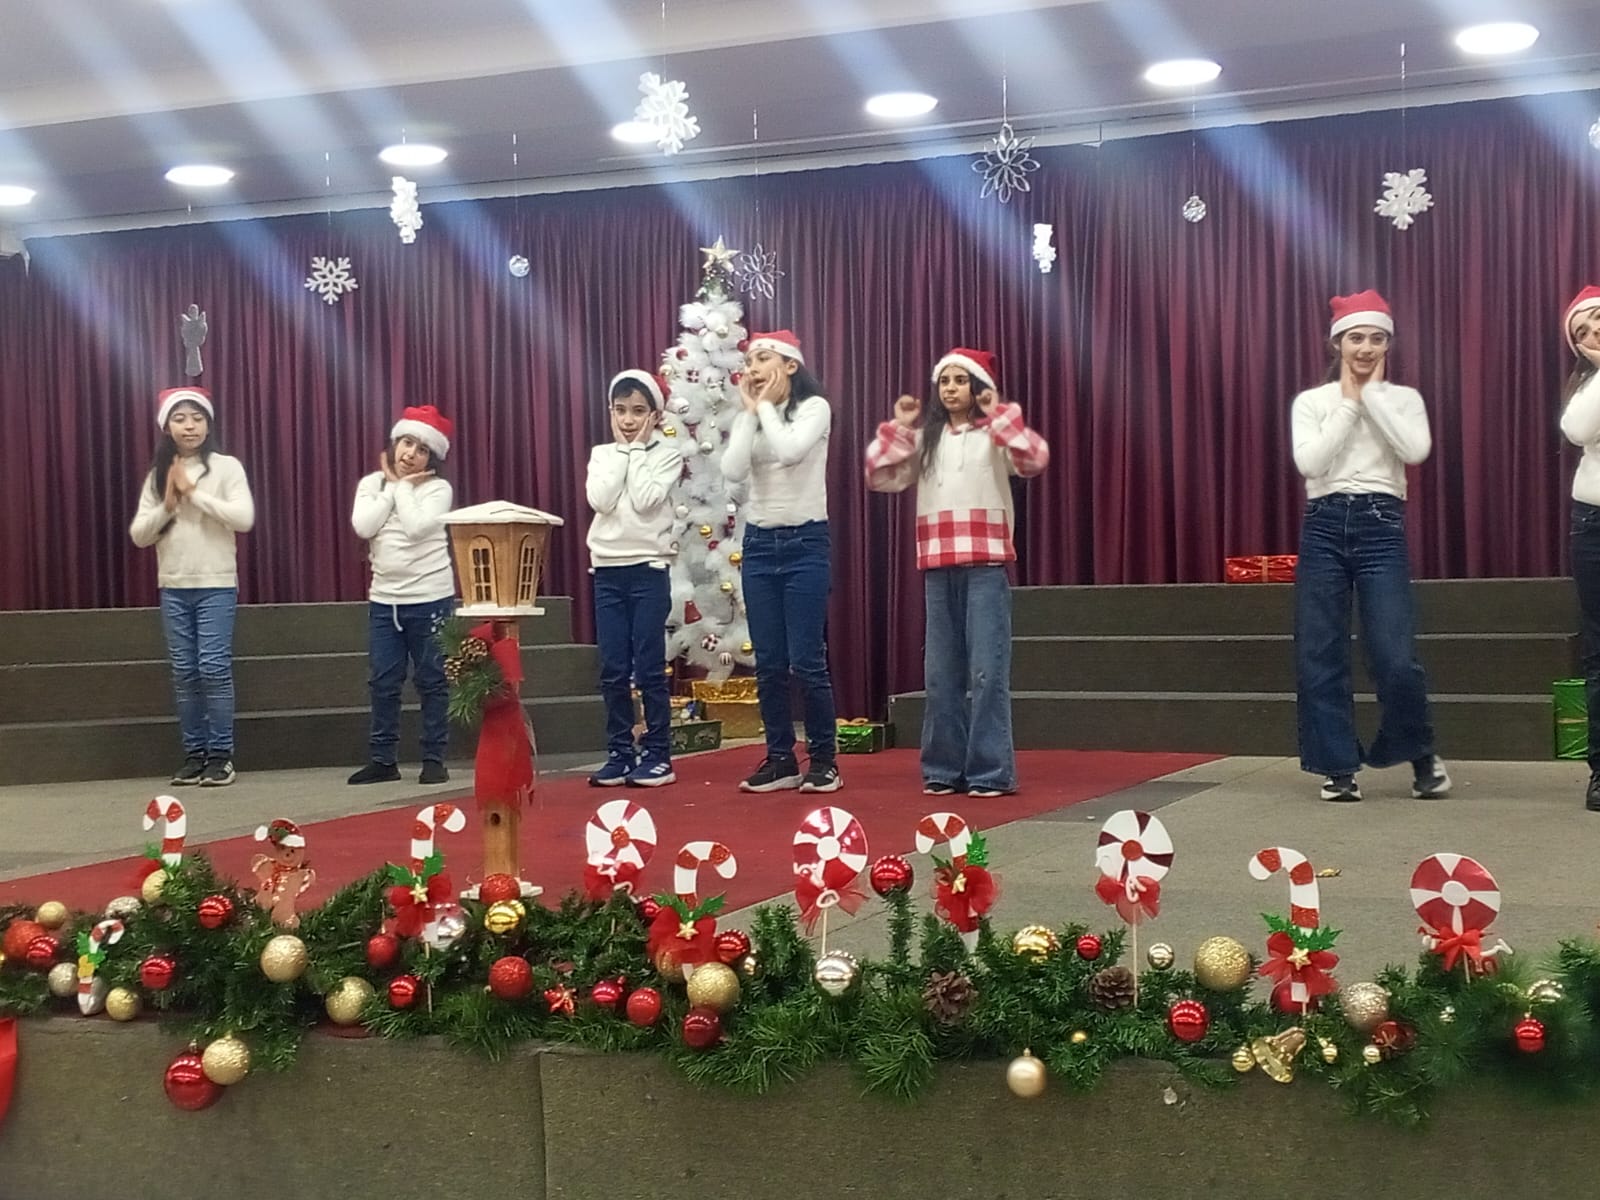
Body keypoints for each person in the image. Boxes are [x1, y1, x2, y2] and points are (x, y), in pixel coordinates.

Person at [865, 347, 1049, 797]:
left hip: (985, 566)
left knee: (987, 673)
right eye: (944, 381)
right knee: (940, 675)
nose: (950, 389)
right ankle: (943, 769)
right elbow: (880, 476)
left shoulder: (995, 435)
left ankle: (990, 772)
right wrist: (900, 427)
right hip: (938, 569)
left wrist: (999, 414)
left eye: (960, 380)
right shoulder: (927, 439)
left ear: (978, 387)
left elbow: (1034, 459)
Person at [1290, 290, 1450, 803]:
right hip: (1324, 524)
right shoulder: (1312, 402)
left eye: (1376, 338)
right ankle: (1338, 767)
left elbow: (1415, 450)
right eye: (1356, 338)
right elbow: (1312, 463)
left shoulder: (1404, 399)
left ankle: (1420, 754)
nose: (1365, 347)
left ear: (1387, 345)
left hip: (1381, 525)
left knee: (1395, 655)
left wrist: (1373, 399)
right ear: (1337, 343)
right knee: (1320, 650)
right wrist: (1349, 403)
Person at [723, 330, 842, 794]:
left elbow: (791, 452)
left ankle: (824, 760)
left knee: (807, 661)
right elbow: (732, 471)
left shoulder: (816, 408)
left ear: (790, 366)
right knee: (769, 663)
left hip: (805, 544)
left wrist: (766, 409)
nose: (752, 368)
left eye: (763, 359)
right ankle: (780, 759)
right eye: (750, 361)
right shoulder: (753, 416)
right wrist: (751, 414)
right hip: (758, 546)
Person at [129, 386, 255, 787]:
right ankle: (194, 755)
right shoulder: (158, 474)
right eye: (180, 419)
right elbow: (139, 535)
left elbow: (244, 518)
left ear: (209, 424)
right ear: (166, 426)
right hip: (174, 586)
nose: (189, 426)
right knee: (185, 672)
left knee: (213, 669)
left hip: (216, 583)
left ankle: (221, 756)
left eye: (197, 418)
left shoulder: (226, 467)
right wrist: (168, 504)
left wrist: (193, 494)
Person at [585, 369, 684, 787]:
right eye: (621, 410)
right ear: (610, 411)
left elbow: (645, 500)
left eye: (639, 411)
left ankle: (658, 754)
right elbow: (601, 499)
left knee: (648, 667)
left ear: (655, 416)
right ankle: (620, 752)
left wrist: (639, 449)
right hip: (607, 571)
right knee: (612, 668)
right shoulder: (602, 454)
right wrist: (625, 453)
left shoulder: (667, 455)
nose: (628, 419)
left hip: (648, 570)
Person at [347, 406, 456, 785]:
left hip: (431, 599)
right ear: (394, 443)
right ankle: (383, 760)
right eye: (407, 443)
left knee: (432, 680)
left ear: (432, 459)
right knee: (383, 681)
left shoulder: (438, 489)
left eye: (422, 450)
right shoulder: (372, 484)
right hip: (385, 601)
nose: (411, 454)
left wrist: (403, 487)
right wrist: (392, 486)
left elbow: (416, 527)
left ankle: (434, 759)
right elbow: (364, 526)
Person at [1557, 285, 1600, 811]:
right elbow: (1576, 430)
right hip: (1593, 522)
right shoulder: (1587, 388)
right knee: (1599, 651)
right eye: (1581, 333)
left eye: (1598, 320)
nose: (1592, 335)